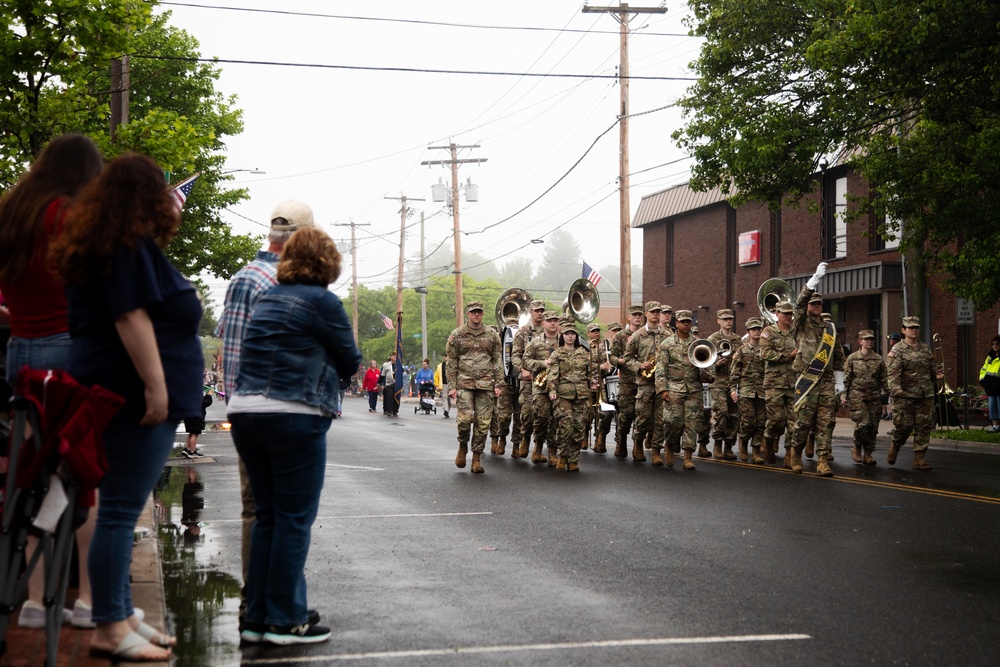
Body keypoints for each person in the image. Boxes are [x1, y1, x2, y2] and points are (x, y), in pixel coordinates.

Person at [51, 153, 202, 660]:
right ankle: (109, 627)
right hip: (130, 393)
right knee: (116, 511)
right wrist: (156, 387)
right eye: (163, 189)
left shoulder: (110, 243)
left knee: (113, 508)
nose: (171, 199)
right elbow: (130, 316)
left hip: (114, 386)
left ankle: (120, 613)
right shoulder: (126, 246)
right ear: (145, 196)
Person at [228, 226, 361, 644]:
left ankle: (258, 617)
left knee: (267, 515)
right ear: (328, 262)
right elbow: (351, 360)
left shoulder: (267, 299)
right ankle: (287, 620)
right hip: (294, 413)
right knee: (293, 519)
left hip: (245, 412)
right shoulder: (322, 301)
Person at [0, 133, 104, 630]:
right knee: (84, 478)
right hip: (68, 350)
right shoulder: (70, 216)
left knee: (30, 477)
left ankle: (35, 602)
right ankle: (87, 603)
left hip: (19, 351)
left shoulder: (12, 211)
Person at [216, 199, 313, 628]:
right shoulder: (267, 282)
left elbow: (231, 355)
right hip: (273, 413)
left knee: (272, 511)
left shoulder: (253, 280)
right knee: (271, 511)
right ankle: (265, 607)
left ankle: (270, 602)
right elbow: (235, 359)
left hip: (263, 412)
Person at [786, 263, 845, 477]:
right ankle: (795, 453)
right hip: (807, 378)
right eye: (814, 303)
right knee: (803, 422)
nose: (817, 305)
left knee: (826, 422)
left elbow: (838, 355)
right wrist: (813, 281)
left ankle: (822, 460)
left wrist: (840, 380)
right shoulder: (800, 324)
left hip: (827, 380)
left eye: (819, 303)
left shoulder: (829, 328)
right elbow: (799, 302)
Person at [445, 301, 503, 473]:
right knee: (464, 420)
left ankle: (476, 458)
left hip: (486, 385)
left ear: (482, 314)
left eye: (479, 312)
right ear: (468, 314)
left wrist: (499, 383)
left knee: (483, 424)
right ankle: (463, 446)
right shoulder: (457, 335)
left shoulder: (492, 335)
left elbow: (497, 360)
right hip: (464, 384)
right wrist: (452, 386)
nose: (476, 315)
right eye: (473, 312)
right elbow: (451, 361)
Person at [886, 316, 941, 470]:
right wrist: (896, 391)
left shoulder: (925, 348)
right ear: (903, 330)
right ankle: (895, 445)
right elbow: (893, 374)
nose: (914, 330)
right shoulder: (897, 350)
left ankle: (919, 458)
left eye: (916, 327)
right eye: (910, 327)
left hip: (925, 394)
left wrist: (936, 377)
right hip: (905, 395)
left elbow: (931, 368)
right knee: (904, 426)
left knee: (924, 426)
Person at [655, 310, 702, 470]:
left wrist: (709, 373)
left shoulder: (697, 344)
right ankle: (669, 445)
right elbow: (660, 368)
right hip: (674, 387)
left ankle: (687, 457)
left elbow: (705, 366)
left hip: (693, 389)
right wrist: (662, 389)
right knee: (673, 421)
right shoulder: (667, 344)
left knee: (692, 423)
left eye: (688, 321)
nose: (686, 324)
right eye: (683, 321)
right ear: (676, 324)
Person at [547, 323, 598, 471]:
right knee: (566, 426)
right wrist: (552, 390)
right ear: (562, 336)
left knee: (579, 427)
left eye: (573, 333)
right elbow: (552, 374)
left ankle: (573, 460)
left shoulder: (583, 353)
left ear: (576, 336)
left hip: (581, 394)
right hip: (563, 394)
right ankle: (562, 456)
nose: (570, 336)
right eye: (567, 333)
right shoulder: (557, 354)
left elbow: (589, 374)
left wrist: (593, 382)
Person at [624, 301, 669, 462]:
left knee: (660, 419)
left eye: (658, 311)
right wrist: (640, 365)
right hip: (644, 383)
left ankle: (656, 451)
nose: (656, 314)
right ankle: (637, 444)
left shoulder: (667, 335)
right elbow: (627, 358)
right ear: (646, 314)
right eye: (653, 311)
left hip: (662, 383)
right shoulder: (637, 336)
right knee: (643, 417)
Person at [759, 301, 798, 466]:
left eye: (790, 313)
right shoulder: (768, 331)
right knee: (776, 420)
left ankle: (790, 454)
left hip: (793, 383)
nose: (788, 316)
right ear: (777, 314)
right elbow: (764, 353)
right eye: (785, 314)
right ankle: (768, 439)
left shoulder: (796, 331)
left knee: (793, 421)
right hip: (774, 383)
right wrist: (788, 355)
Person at [522, 310, 563, 465]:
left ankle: (552, 452)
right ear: (544, 323)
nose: (553, 323)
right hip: (541, 386)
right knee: (541, 418)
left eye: (555, 320)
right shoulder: (536, 342)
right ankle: (538, 447)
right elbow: (525, 361)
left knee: (556, 420)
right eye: (549, 320)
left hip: (560, 386)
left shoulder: (565, 341)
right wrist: (541, 363)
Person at [842, 329, 889, 464]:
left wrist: (891, 393)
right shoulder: (852, 358)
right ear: (860, 341)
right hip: (857, 396)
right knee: (864, 423)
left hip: (874, 396)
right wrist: (843, 395)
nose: (869, 342)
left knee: (873, 426)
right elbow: (847, 378)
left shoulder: (878, 359)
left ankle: (868, 454)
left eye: (871, 339)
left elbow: (884, 379)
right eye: (866, 339)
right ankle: (856, 447)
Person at [510, 299, 546, 457]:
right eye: (537, 310)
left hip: (545, 379)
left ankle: (538, 447)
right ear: (531, 312)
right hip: (528, 379)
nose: (540, 313)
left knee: (544, 415)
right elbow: (515, 356)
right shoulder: (523, 331)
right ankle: (524, 438)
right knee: (527, 413)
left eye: (541, 310)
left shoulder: (550, 331)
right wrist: (523, 369)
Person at [608, 306, 644, 458]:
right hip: (627, 381)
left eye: (639, 315)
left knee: (642, 415)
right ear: (629, 317)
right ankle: (621, 439)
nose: (637, 318)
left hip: (643, 380)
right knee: (626, 414)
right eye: (634, 315)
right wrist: (621, 361)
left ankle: (637, 446)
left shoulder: (645, 335)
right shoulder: (620, 336)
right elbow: (612, 357)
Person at [730, 318, 767, 463]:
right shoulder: (742, 350)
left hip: (762, 390)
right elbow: (735, 372)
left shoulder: (765, 349)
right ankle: (744, 443)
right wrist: (733, 389)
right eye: (754, 329)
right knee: (748, 420)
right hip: (746, 390)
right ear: (748, 332)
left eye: (758, 329)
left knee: (761, 422)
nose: (757, 331)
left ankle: (756, 451)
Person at [707, 309, 741, 460]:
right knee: (721, 412)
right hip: (718, 382)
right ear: (718, 321)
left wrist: (737, 359)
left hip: (733, 382)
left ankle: (729, 446)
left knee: (734, 415)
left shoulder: (738, 339)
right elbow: (704, 362)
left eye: (730, 319)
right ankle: (717, 443)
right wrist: (716, 364)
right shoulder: (712, 339)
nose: (728, 321)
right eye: (725, 319)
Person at [491, 316, 521, 455]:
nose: (512, 328)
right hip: (505, 383)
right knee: (504, 416)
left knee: (519, 417)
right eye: (510, 325)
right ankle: (501, 438)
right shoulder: (499, 341)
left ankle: (516, 444)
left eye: (515, 325)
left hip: (520, 382)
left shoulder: (523, 340)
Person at [583, 323, 614, 453]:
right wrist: (600, 367)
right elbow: (584, 365)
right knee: (586, 412)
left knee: (606, 413)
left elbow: (612, 361)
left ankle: (601, 438)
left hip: (602, 384)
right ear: (588, 333)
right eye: (593, 331)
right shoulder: (584, 347)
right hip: (587, 384)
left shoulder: (606, 346)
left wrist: (609, 365)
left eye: (598, 331)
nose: (596, 333)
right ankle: (584, 434)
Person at [181, 388, 214, 458]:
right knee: (195, 434)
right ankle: (192, 451)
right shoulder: (196, 392)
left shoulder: (187, 393)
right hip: (196, 416)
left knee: (191, 433)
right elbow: (205, 403)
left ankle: (187, 448)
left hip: (188, 416)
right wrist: (209, 395)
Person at [980, 336, 1000, 433]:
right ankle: (995, 426)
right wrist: (983, 381)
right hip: (991, 387)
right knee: (993, 407)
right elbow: (983, 369)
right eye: (993, 344)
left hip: (999, 386)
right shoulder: (990, 357)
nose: (995, 346)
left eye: (997, 344)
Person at [380, 353, 398, 417]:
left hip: (396, 384)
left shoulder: (399, 365)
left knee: (396, 397)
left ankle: (395, 411)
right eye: (393, 356)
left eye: (395, 356)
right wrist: (380, 383)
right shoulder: (386, 365)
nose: (394, 357)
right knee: (389, 397)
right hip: (388, 383)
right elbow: (382, 375)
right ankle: (388, 410)